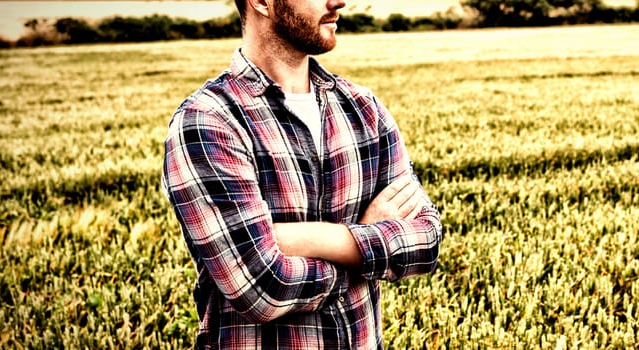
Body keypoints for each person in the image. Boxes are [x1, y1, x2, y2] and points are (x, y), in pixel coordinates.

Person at [160, 0, 443, 347]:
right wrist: (369, 245)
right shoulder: (208, 122)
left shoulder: (363, 108)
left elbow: (427, 240)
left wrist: (305, 240)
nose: (338, 1)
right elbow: (261, 287)